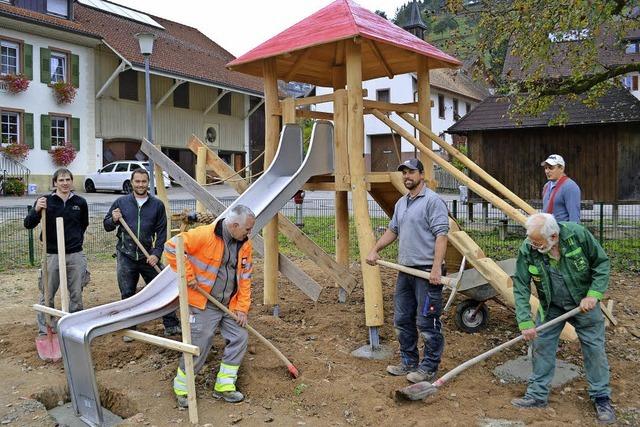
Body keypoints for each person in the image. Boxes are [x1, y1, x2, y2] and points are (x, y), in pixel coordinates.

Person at [511, 213, 615, 424]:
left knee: (594, 348)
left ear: (554, 237)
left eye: (538, 242)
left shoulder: (577, 235)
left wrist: (593, 295)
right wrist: (525, 321)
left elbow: (601, 264)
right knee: (541, 345)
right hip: (551, 306)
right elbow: (521, 285)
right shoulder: (528, 247)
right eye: (531, 240)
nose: (533, 245)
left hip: (583, 304)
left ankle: (601, 397)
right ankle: (537, 395)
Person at [366, 158, 449, 384]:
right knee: (402, 319)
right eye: (404, 173)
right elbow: (393, 231)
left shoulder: (433, 201)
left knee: (427, 322)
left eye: (411, 172)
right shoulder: (402, 203)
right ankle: (409, 362)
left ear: (421, 175)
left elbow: (442, 236)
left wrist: (435, 268)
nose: (406, 176)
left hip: (426, 273)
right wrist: (375, 249)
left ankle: (429, 367)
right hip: (406, 271)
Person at [165, 204, 255, 406]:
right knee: (200, 342)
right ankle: (182, 388)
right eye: (247, 229)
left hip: (229, 305)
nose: (250, 233)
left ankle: (224, 386)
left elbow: (245, 278)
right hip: (204, 302)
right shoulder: (204, 235)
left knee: (240, 336)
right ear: (233, 225)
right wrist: (188, 275)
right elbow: (171, 247)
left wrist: (241, 309)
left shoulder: (245, 245)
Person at [103, 168, 180, 340]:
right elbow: (106, 225)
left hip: (148, 256)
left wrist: (156, 253)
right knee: (127, 292)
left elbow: (161, 233)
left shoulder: (157, 205)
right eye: (137, 181)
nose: (140, 184)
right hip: (126, 254)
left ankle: (171, 324)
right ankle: (130, 329)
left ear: (148, 183)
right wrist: (113, 219)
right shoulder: (121, 202)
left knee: (160, 289)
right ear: (131, 182)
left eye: (144, 181)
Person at [24, 168, 89, 335]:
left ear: (72, 181)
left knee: (76, 294)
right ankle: (46, 330)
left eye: (68, 179)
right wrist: (36, 210)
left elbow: (83, 224)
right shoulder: (45, 201)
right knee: (47, 293)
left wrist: (74, 240)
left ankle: (74, 329)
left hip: (75, 254)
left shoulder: (80, 202)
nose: (65, 183)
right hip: (52, 254)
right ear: (55, 183)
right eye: (61, 180)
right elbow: (28, 224)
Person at [541, 154, 581, 222]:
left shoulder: (570, 187)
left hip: (563, 231)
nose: (547, 171)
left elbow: (574, 217)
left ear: (561, 168)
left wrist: (572, 232)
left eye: (551, 168)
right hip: (548, 231)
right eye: (546, 168)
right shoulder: (546, 186)